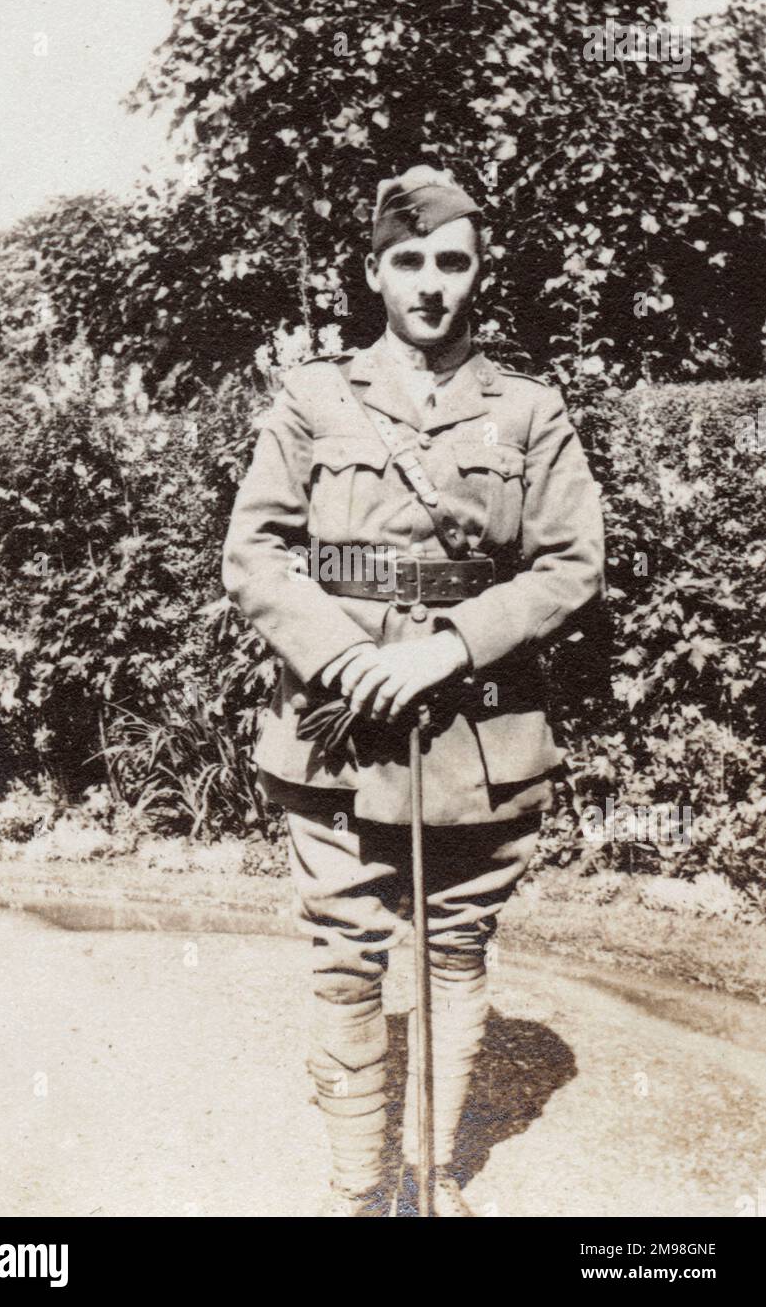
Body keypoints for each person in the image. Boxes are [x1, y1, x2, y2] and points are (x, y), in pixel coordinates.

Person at [222, 164, 605, 1216]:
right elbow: (256, 556)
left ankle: (432, 1180)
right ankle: (356, 1195)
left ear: (477, 273)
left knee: (454, 946)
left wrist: (446, 649)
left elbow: (572, 564)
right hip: (336, 731)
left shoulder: (526, 408)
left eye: (452, 261)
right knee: (348, 958)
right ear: (374, 272)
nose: (430, 283)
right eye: (409, 262)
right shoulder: (312, 397)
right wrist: (352, 664)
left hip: (475, 731)